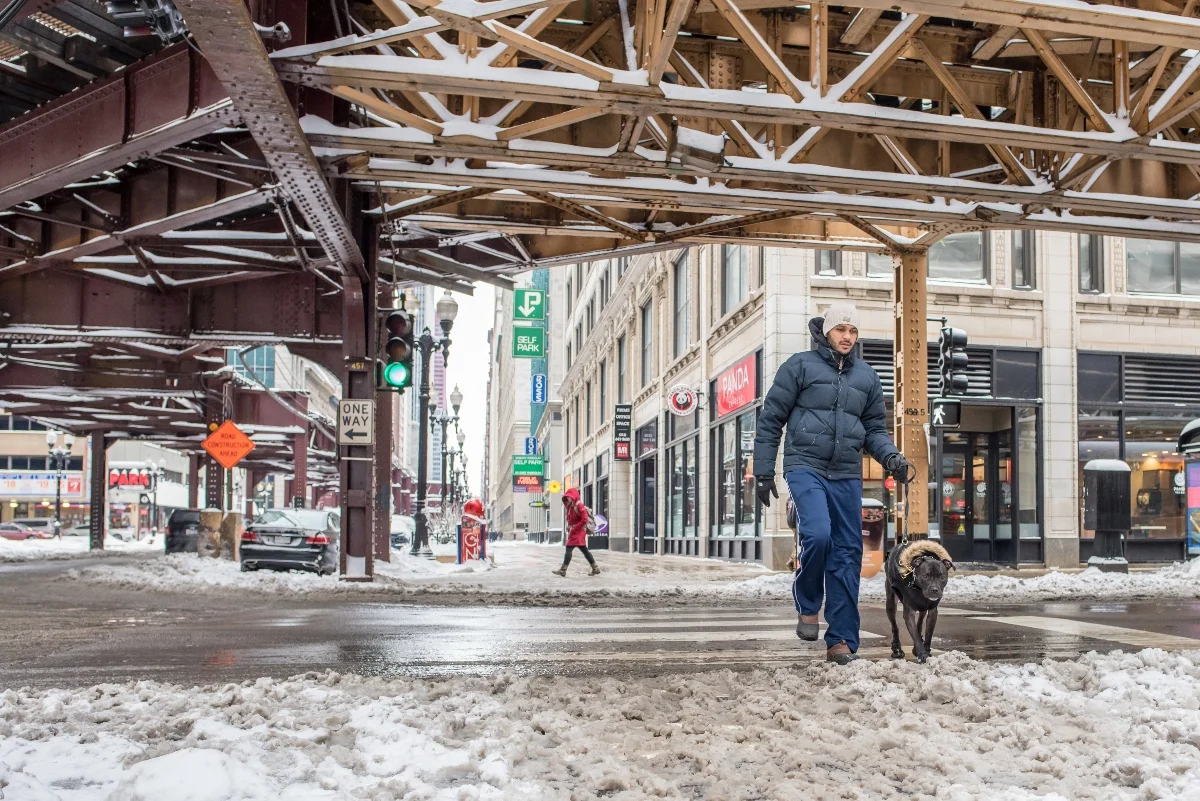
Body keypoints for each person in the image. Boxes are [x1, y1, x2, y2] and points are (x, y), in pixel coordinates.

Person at [752, 302, 911, 665]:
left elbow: (874, 431)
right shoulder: (799, 366)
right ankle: (808, 604)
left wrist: (891, 458)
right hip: (804, 465)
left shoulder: (867, 377)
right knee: (819, 535)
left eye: (853, 331)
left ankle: (840, 639)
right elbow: (771, 419)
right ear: (826, 331)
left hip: (845, 471)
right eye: (841, 329)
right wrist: (763, 471)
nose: (847, 337)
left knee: (846, 553)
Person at [553, 487, 600, 577]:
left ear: (574, 496)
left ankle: (563, 570)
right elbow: (571, 519)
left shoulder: (579, 505)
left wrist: (574, 528)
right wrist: (569, 527)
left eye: (570, 497)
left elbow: (584, 519)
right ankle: (595, 568)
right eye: (567, 497)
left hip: (578, 532)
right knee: (584, 550)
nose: (568, 498)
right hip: (575, 531)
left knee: (569, 548)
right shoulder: (571, 506)